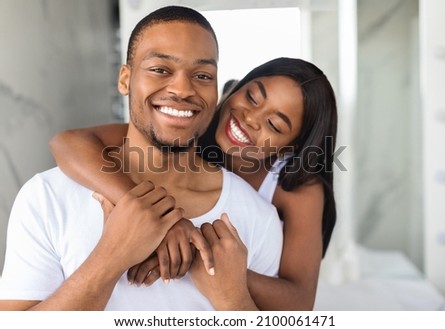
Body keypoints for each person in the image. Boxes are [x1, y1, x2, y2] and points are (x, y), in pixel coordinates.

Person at [0, 6, 283, 311]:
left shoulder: (258, 219)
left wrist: (231, 299)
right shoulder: (46, 197)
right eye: (160, 69)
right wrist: (111, 256)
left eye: (202, 75)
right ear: (125, 79)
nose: (182, 89)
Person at [48, 55, 338, 310]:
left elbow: (299, 302)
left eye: (275, 125)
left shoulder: (299, 186)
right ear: (236, 88)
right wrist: (154, 218)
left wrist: (208, 262)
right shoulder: (191, 124)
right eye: (251, 97)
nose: (250, 118)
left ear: (289, 148)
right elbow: (68, 143)